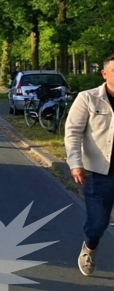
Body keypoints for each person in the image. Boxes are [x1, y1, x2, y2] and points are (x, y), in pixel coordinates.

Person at [64, 55, 114, 276]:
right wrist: (75, 163)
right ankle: (90, 247)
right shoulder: (88, 98)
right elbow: (73, 132)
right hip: (98, 171)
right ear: (104, 74)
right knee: (98, 223)